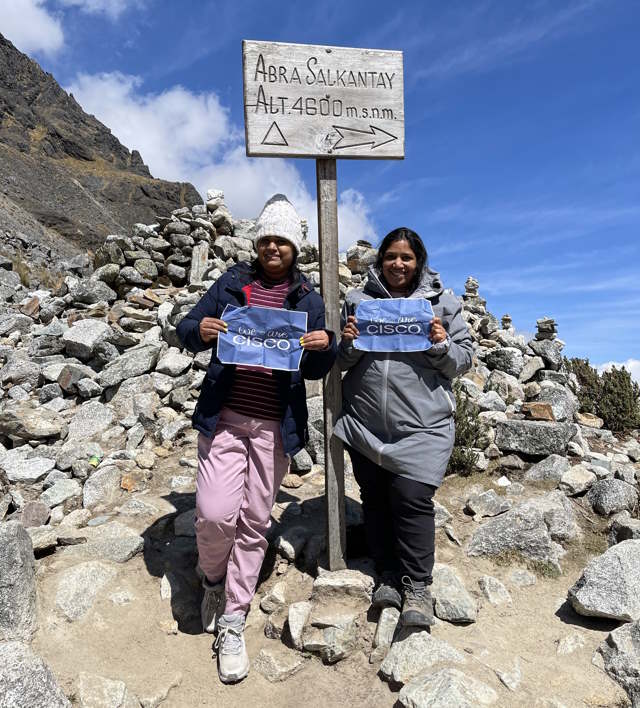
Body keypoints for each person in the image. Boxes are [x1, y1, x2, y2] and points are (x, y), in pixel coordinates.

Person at [177, 194, 337, 683]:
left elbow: (315, 366)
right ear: (257, 242)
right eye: (267, 239)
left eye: (282, 241)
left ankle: (233, 615)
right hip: (225, 418)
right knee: (214, 513)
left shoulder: (308, 300)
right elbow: (185, 328)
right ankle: (211, 578)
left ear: (295, 248)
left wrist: (324, 345)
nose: (273, 247)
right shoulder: (230, 284)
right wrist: (198, 330)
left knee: (254, 520)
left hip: (275, 427)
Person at [333, 227, 473, 628]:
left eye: (406, 258)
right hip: (365, 422)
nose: (398, 264)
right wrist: (349, 344)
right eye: (391, 256)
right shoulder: (358, 301)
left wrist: (442, 345)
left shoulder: (442, 303)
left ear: (419, 262)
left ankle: (417, 587)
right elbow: (342, 363)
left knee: (412, 498)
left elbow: (465, 360)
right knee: (375, 498)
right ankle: (387, 577)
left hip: (422, 425)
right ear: (381, 260)